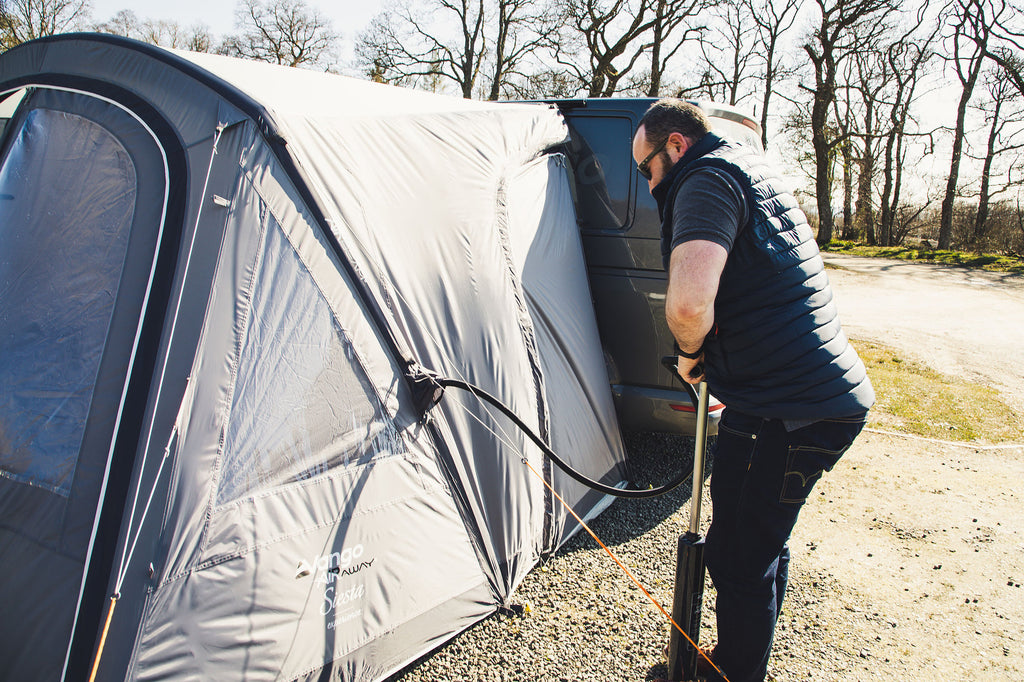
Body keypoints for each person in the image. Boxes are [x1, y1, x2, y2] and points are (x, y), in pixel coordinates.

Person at [632, 99, 875, 682]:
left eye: (646, 168)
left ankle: (735, 673)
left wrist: (691, 353)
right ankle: (739, 658)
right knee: (754, 540)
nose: (648, 184)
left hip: (794, 408)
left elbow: (688, 303)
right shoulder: (748, 165)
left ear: (676, 146)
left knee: (740, 556)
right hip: (781, 396)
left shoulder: (704, 180)